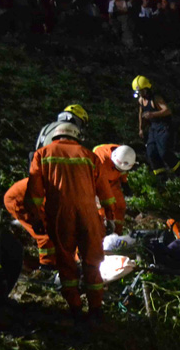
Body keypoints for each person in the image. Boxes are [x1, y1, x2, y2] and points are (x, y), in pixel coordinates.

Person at [25, 122, 116, 324]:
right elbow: (104, 189)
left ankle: (75, 308)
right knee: (92, 261)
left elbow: (34, 191)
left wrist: (36, 217)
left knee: (66, 261)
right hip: (89, 215)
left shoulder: (42, 154)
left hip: (60, 215)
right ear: (76, 136)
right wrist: (110, 215)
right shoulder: (88, 155)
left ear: (55, 136)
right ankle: (96, 309)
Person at [133, 76, 180, 177]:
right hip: (153, 128)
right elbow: (141, 114)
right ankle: (161, 177)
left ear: (146, 89)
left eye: (140, 91)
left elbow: (167, 110)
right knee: (151, 152)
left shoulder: (156, 98)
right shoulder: (141, 100)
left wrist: (153, 114)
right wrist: (141, 128)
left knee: (164, 152)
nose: (139, 94)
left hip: (164, 127)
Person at [93, 144, 136, 234]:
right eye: (118, 168)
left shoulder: (124, 152)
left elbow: (123, 171)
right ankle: (103, 233)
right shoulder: (101, 159)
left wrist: (124, 183)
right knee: (104, 208)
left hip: (113, 181)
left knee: (120, 206)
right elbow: (98, 180)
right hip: (99, 184)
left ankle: (117, 233)